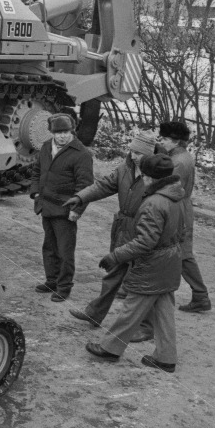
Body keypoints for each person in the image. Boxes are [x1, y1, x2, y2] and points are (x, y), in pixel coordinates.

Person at [85, 154, 187, 373]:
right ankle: (166, 358)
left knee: (132, 308)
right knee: (164, 310)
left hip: (152, 265)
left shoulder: (153, 203)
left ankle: (110, 348)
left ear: (150, 177)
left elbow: (144, 242)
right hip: (170, 261)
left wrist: (115, 256)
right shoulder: (177, 196)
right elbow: (183, 232)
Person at [66, 132, 157, 327]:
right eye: (132, 151)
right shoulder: (124, 169)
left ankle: (146, 326)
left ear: (149, 154)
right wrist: (81, 197)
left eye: (139, 153)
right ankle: (95, 313)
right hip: (123, 228)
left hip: (144, 230)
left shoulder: (156, 175)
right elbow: (103, 185)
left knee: (143, 279)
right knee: (114, 273)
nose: (133, 156)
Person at [29, 113, 94, 301]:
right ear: (52, 133)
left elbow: (86, 186)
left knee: (65, 251)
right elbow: (37, 171)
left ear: (72, 131)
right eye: (58, 132)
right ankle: (52, 280)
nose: (62, 136)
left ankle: (64, 287)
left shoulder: (81, 154)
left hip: (65, 210)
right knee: (49, 247)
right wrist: (35, 192)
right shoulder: (46, 147)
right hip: (46, 206)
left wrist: (77, 210)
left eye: (66, 132)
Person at [157, 121, 211, 313]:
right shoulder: (181, 156)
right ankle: (199, 295)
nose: (160, 141)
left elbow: (170, 188)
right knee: (179, 252)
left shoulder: (178, 161)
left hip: (178, 208)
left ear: (175, 141)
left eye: (163, 139)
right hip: (181, 206)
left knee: (183, 255)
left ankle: (200, 295)